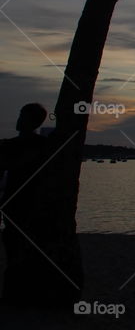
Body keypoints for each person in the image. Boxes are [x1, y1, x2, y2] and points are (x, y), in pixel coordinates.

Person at [0, 103, 53, 305]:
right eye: (20, 115)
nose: (19, 119)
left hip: (27, 202)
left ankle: (16, 294)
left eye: (23, 116)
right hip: (17, 202)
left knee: (19, 248)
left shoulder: (37, 146)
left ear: (32, 121)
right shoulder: (37, 145)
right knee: (15, 246)